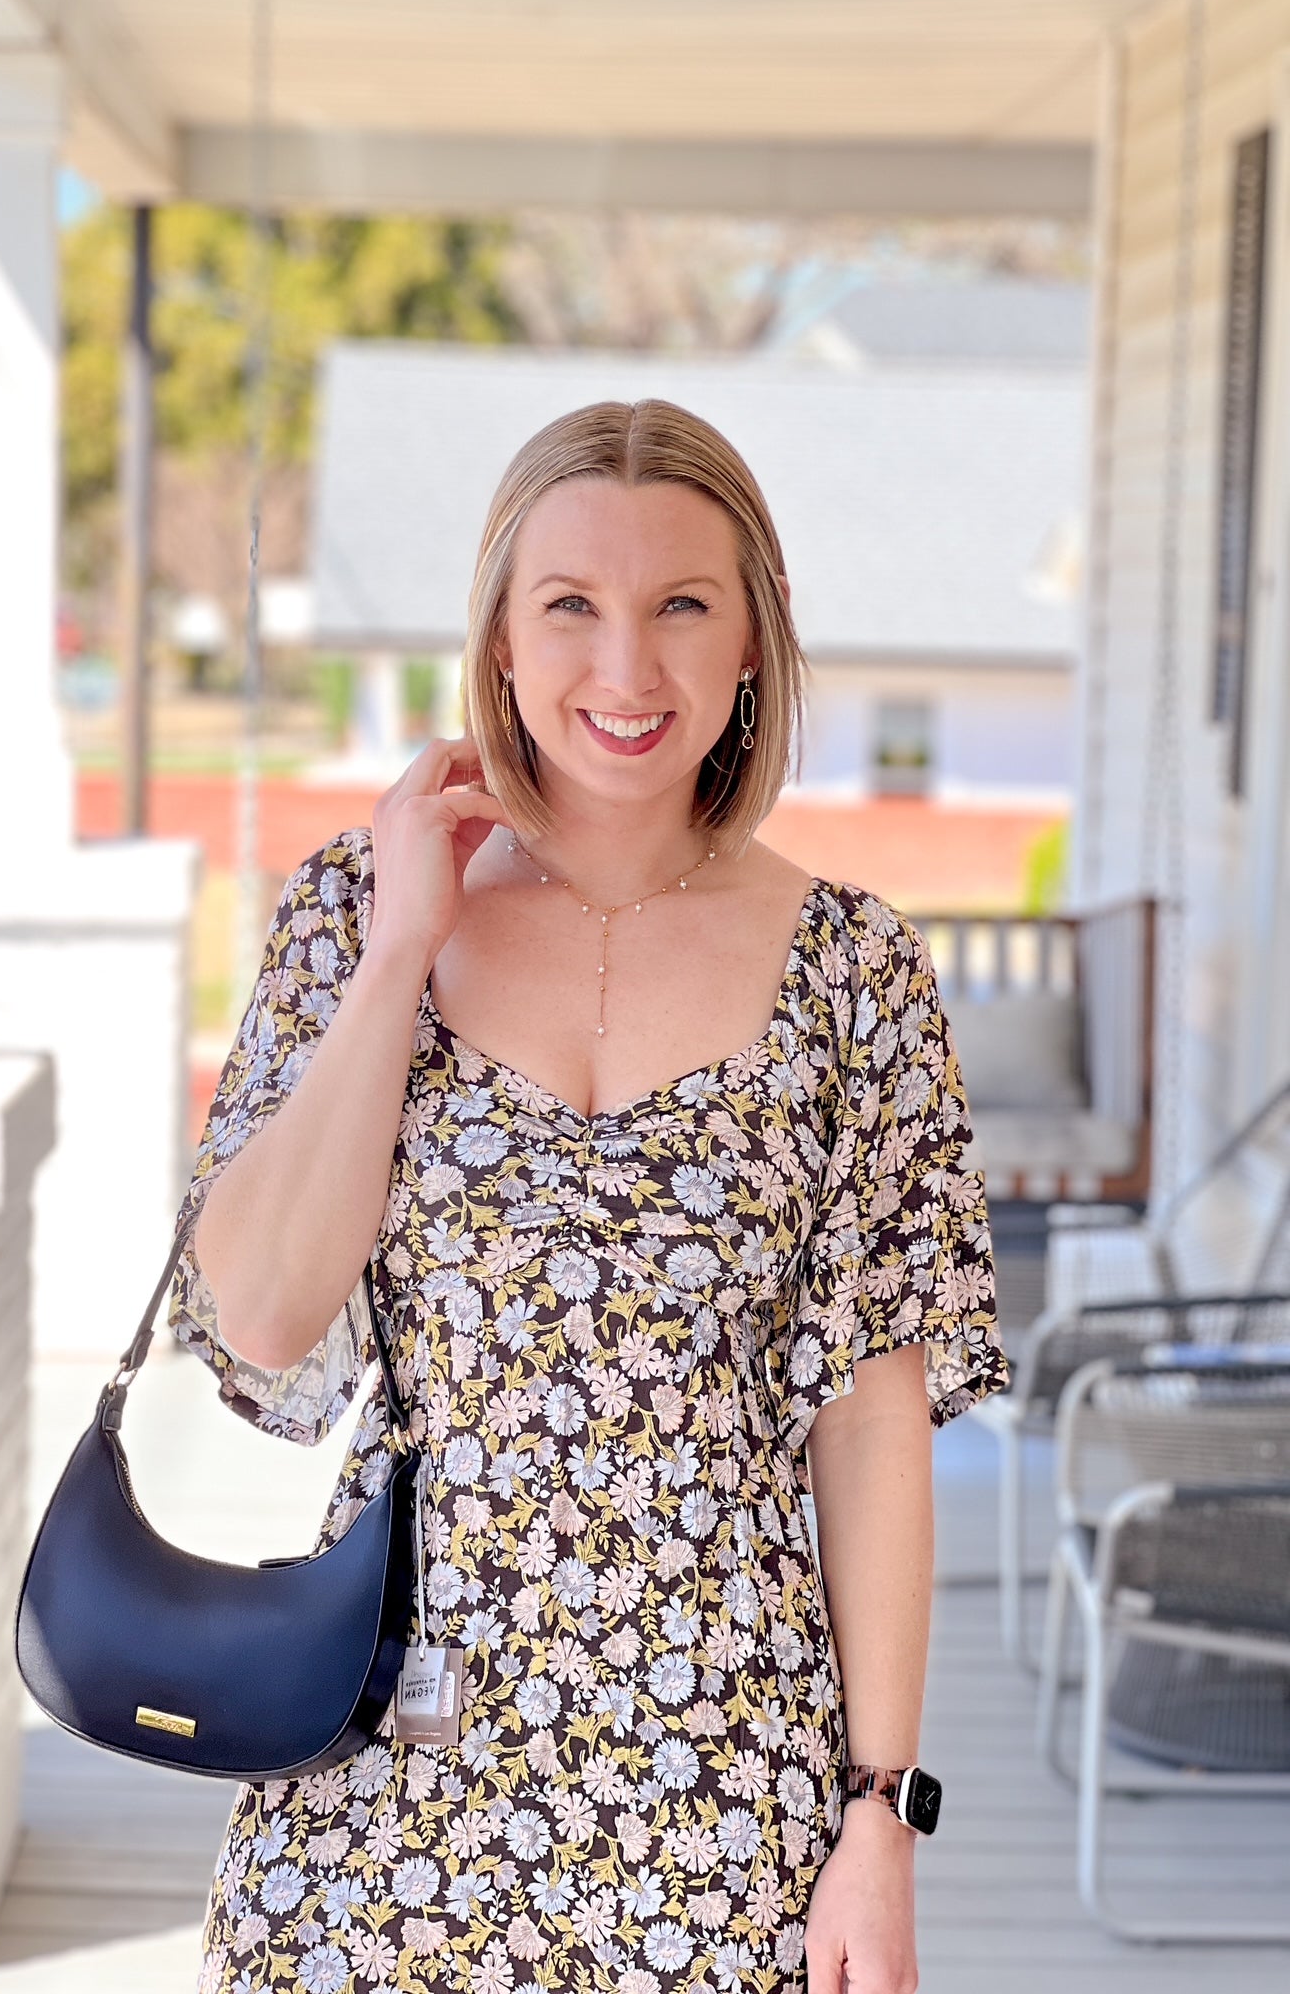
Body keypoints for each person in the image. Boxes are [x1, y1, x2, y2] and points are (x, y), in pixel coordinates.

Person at [170, 397, 1010, 1994]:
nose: (626, 668)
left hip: (724, 1788)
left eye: (682, 603)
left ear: (755, 636)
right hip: (386, 1761)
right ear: (499, 634)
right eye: (571, 604)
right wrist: (402, 953)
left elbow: (872, 1430)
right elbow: (265, 1313)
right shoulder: (352, 913)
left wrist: (880, 1815)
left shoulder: (859, 978)